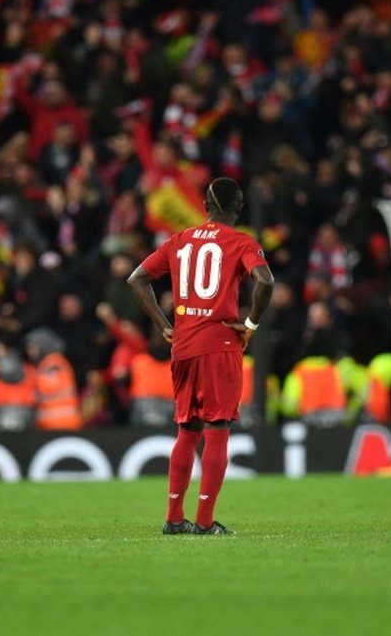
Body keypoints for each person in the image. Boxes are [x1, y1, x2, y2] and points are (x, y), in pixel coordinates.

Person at [128, 177, 274, 535]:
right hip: (219, 344)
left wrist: (164, 325)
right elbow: (265, 281)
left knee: (187, 431)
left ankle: (174, 518)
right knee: (218, 430)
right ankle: (206, 523)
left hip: (184, 346)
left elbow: (137, 279)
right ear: (238, 210)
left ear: (206, 207)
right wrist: (251, 323)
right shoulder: (241, 242)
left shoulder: (179, 240)